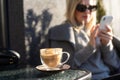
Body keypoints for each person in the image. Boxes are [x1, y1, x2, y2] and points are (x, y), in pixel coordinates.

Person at [41, 0, 120, 80]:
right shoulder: (62, 32)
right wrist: (90, 47)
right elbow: (64, 67)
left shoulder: (96, 30)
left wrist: (106, 44)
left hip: (108, 76)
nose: (87, 11)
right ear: (72, 8)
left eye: (92, 8)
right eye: (81, 8)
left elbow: (115, 65)